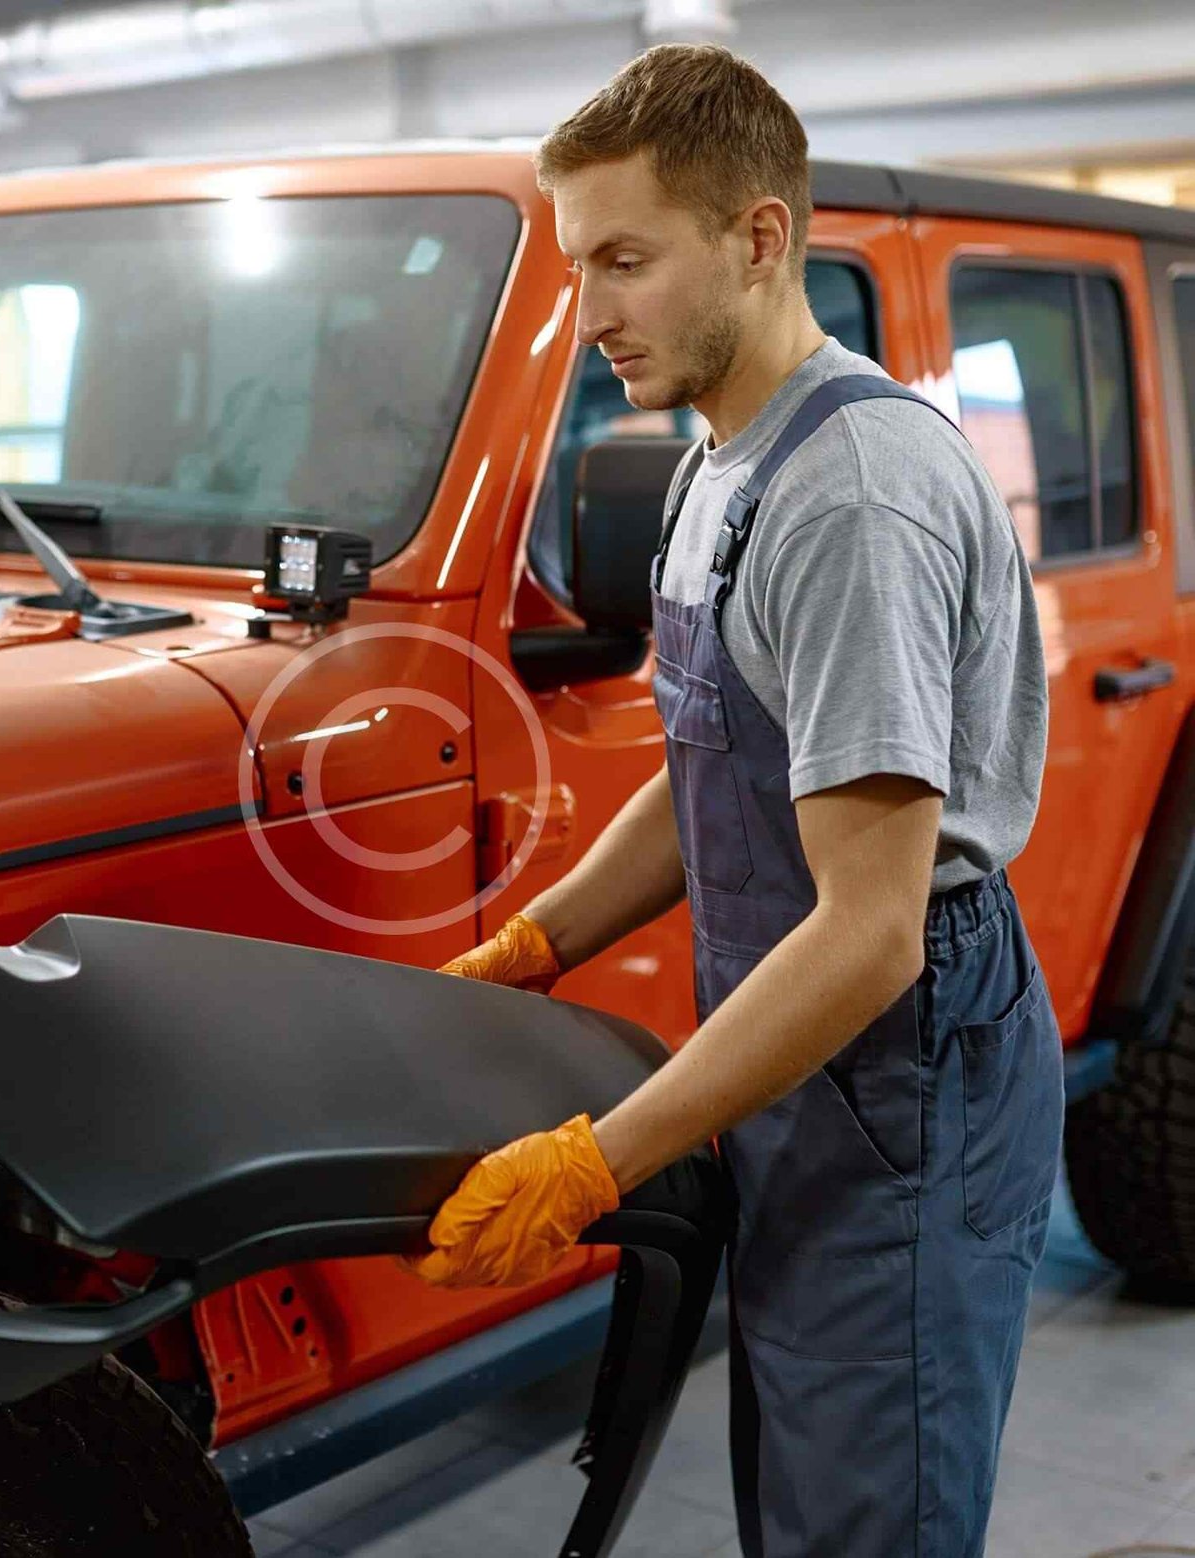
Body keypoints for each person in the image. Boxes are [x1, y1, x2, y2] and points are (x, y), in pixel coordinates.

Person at [406, 42, 1062, 1558]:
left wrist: (598, 1158)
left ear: (760, 238)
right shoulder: (719, 461)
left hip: (900, 1071)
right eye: (578, 263)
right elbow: (715, 759)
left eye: (625, 261)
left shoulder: (851, 498)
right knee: (807, 1476)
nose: (590, 311)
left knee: (869, 1511)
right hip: (804, 1061)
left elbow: (871, 935)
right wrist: (538, 944)